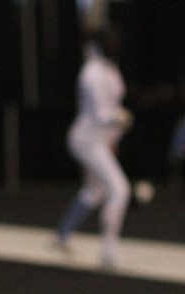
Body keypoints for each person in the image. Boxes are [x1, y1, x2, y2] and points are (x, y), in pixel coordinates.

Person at [52, 27, 133, 270]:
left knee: (96, 190)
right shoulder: (91, 73)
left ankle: (61, 235)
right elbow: (101, 114)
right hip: (86, 139)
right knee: (119, 190)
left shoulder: (110, 68)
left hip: (100, 139)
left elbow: (112, 106)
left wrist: (113, 139)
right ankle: (108, 252)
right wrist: (121, 118)